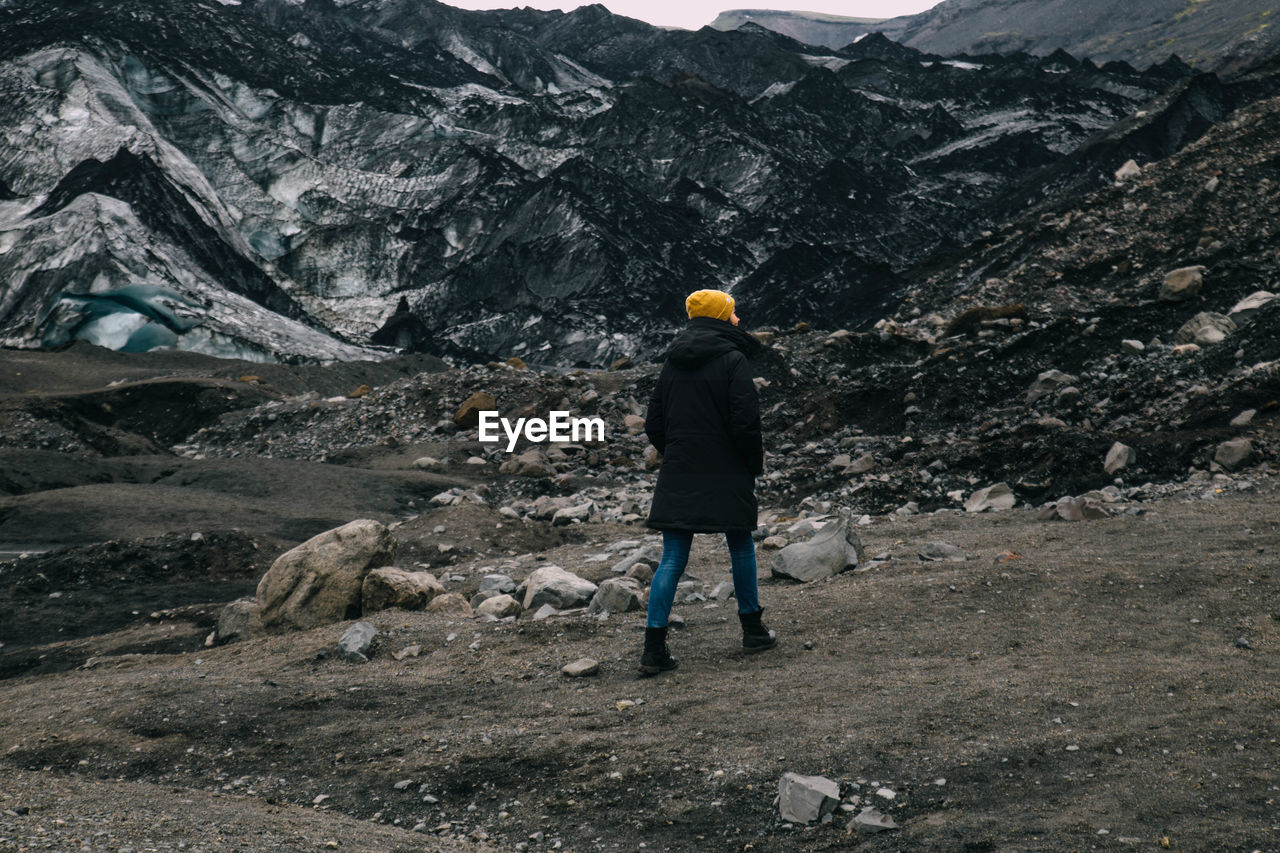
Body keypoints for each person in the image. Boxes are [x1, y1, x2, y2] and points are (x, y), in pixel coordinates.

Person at [639, 288, 776, 675]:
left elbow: (654, 423)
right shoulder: (733, 359)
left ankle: (653, 650)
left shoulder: (673, 362)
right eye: (733, 313)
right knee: (740, 547)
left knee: (672, 559)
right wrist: (749, 465)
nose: (738, 319)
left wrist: (677, 450)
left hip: (680, 470)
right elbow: (746, 423)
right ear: (719, 316)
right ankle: (752, 630)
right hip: (727, 469)